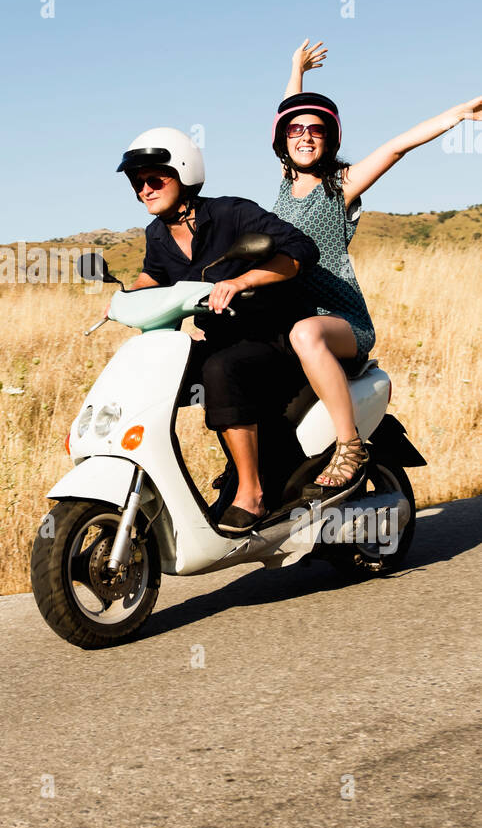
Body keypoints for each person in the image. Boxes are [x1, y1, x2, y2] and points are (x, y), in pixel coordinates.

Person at [272, 38, 482, 496]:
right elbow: (288, 110)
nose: (305, 135)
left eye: (316, 130)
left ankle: (350, 445)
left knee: (305, 333)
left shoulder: (339, 186)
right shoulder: (285, 188)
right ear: (282, 141)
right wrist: (297, 71)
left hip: (340, 324)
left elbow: (396, 148)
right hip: (287, 321)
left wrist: (457, 115)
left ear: (330, 140)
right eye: (295, 131)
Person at [118, 126, 319, 534]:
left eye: (154, 179)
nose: (145, 190)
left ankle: (251, 492)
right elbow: (154, 276)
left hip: (274, 339)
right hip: (222, 341)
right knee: (151, 373)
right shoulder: (157, 234)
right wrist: (124, 297)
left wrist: (242, 282)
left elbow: (301, 251)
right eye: (138, 184)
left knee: (220, 371)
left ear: (184, 172)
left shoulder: (233, 213)